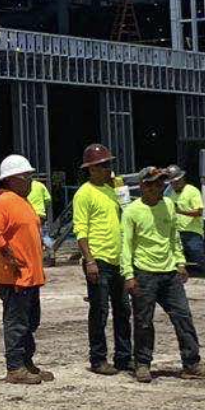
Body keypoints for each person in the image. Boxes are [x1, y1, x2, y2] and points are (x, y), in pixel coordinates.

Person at [120, 167, 205, 382]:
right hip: (144, 273)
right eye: (152, 184)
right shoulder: (132, 211)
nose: (157, 188)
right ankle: (142, 363)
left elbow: (173, 237)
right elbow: (126, 245)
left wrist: (180, 262)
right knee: (143, 322)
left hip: (170, 274)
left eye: (160, 184)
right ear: (142, 186)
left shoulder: (168, 206)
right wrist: (128, 275)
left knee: (183, 317)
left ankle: (191, 363)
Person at [0, 153, 50, 385]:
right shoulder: (4, 201)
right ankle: (15, 367)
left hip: (30, 277)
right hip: (14, 278)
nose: (31, 181)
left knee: (30, 322)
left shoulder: (24, 203)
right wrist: (9, 254)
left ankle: (26, 362)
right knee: (16, 323)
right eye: (27, 177)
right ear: (13, 179)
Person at [73, 144, 132, 375]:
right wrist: (89, 260)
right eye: (102, 165)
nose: (108, 169)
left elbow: (127, 214)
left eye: (109, 165)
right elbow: (81, 231)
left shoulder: (112, 190)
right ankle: (98, 359)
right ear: (91, 169)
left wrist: (120, 190)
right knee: (99, 312)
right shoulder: (84, 194)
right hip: (98, 259)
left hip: (118, 260)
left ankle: (124, 357)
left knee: (123, 310)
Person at [172, 165, 205, 299]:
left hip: (192, 232)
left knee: (200, 259)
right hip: (175, 232)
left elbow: (198, 211)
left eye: (176, 181)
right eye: (172, 182)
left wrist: (180, 211)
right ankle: (175, 292)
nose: (174, 184)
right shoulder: (168, 192)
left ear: (182, 179)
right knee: (172, 262)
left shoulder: (192, 191)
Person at [27, 171, 55, 255]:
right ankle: (51, 252)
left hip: (28, 214)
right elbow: (48, 199)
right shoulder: (40, 185)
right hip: (40, 214)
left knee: (30, 235)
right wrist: (43, 207)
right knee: (44, 234)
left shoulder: (24, 187)